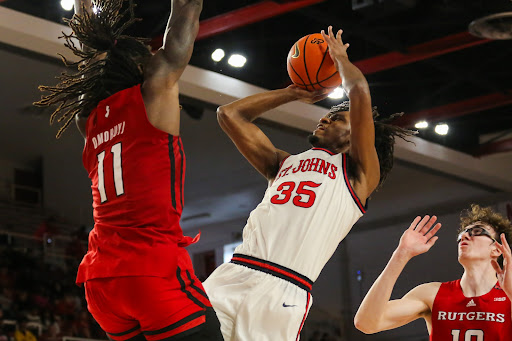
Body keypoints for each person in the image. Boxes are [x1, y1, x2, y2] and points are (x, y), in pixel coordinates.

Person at [203, 26, 414, 341]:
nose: (325, 119)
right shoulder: (282, 163)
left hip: (282, 288)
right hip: (232, 275)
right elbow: (229, 115)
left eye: (337, 119)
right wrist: (291, 93)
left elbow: (358, 92)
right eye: (327, 116)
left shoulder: (358, 176)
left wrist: (341, 60)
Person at [34, 0, 223, 340]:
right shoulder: (154, 96)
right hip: (152, 272)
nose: (153, 58)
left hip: (102, 285)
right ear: (139, 70)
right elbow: (185, 13)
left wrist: (85, 8)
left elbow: (91, 61)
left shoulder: (87, 122)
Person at [354, 204, 512, 339]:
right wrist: (401, 255)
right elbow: (366, 323)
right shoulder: (432, 294)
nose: (465, 236)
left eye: (477, 231)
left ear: (496, 249)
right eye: (463, 233)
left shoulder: (509, 295)